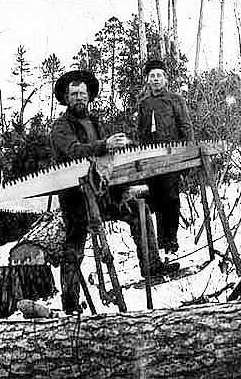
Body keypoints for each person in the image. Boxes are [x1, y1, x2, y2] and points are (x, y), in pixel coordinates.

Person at [50, 69, 179, 314]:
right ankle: (69, 302)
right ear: (66, 99)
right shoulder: (61, 127)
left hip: (104, 194)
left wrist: (121, 150)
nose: (79, 98)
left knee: (139, 211)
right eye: (74, 94)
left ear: (89, 97)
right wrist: (104, 145)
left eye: (82, 93)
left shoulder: (96, 123)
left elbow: (107, 158)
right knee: (74, 246)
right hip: (77, 199)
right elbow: (75, 150)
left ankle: (151, 266)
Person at [137, 59, 193, 255]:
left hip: (172, 159)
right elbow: (141, 134)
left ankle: (172, 240)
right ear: (147, 80)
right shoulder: (143, 104)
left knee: (171, 199)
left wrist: (186, 160)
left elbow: (186, 128)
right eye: (152, 76)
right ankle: (161, 242)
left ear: (165, 79)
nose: (155, 79)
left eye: (159, 75)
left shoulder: (176, 100)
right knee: (157, 200)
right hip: (151, 161)